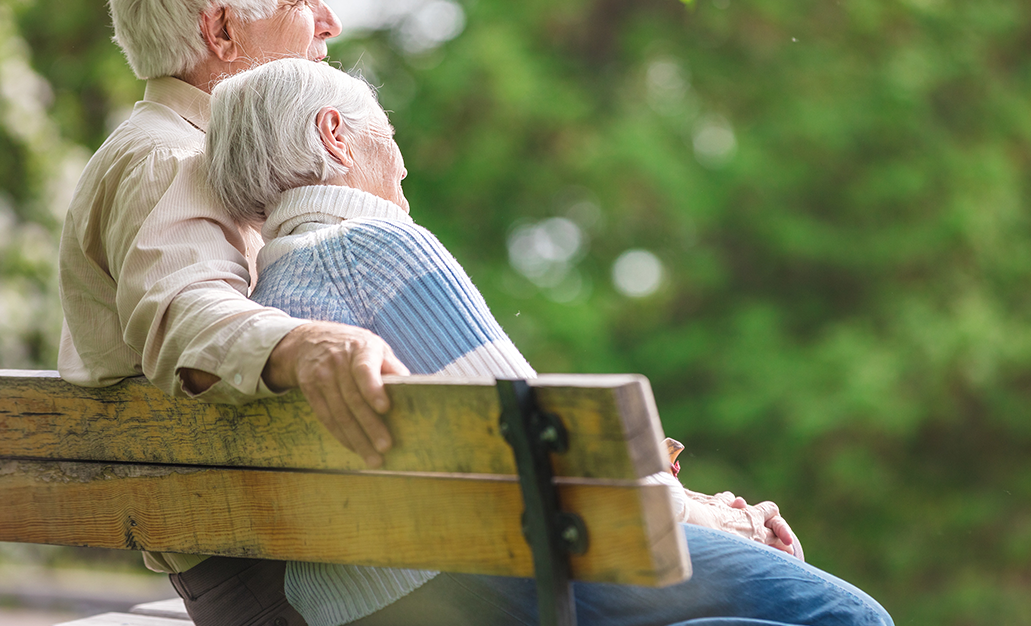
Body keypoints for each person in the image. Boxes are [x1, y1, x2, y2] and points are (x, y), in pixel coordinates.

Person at [204, 57, 894, 626]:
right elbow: (553, 453)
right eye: (387, 133)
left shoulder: (263, 302)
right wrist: (725, 521)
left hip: (359, 609)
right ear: (336, 135)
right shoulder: (373, 246)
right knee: (851, 618)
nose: (404, 164)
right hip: (482, 582)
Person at [56, 0, 409, 626]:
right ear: (221, 30)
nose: (331, 21)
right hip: (277, 571)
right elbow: (184, 311)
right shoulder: (172, 159)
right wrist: (304, 343)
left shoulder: (198, 154)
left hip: (289, 539)